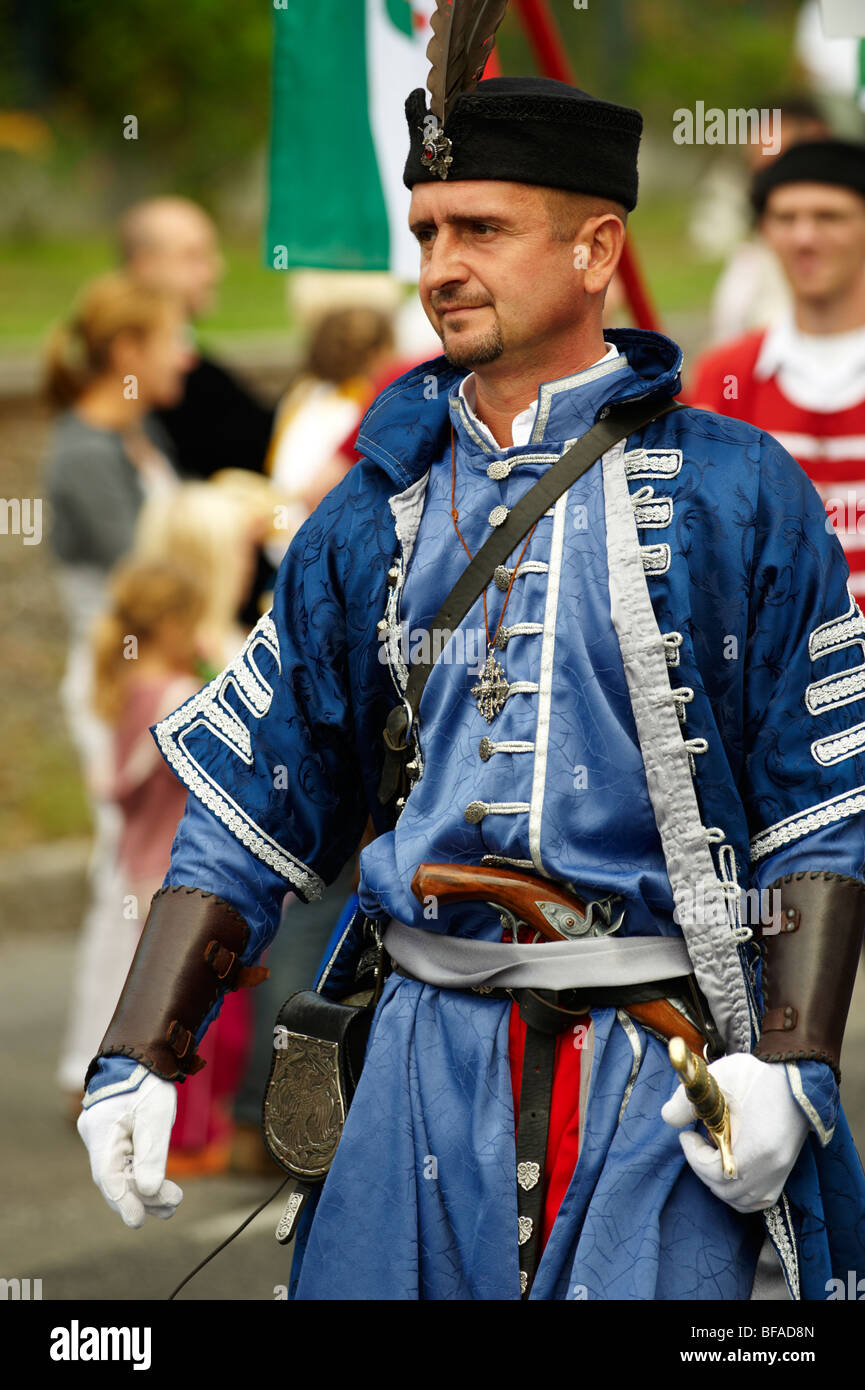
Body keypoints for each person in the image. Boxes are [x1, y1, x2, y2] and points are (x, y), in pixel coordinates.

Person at [77, 74, 865, 1301]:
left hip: (655, 1068)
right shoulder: (368, 506)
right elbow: (260, 793)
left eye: (481, 230)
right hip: (410, 1055)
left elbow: (822, 796)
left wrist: (795, 1065)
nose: (440, 264)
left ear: (597, 245)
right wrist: (136, 1053)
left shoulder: (738, 491)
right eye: (429, 231)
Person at [44, 271, 192, 1101]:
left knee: (142, 868)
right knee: (121, 872)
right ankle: (89, 1062)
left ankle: (125, 1048)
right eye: (172, 338)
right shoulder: (84, 451)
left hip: (151, 673)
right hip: (116, 680)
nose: (186, 353)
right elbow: (143, 576)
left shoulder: (142, 437)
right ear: (128, 352)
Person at [688, 139, 865, 605]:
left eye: (829, 216)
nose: (804, 237)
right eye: (785, 218)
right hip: (776, 666)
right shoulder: (726, 376)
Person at [118, 196, 275, 481]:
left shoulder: (201, 374)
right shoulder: (131, 379)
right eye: (194, 256)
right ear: (145, 264)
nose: (216, 269)